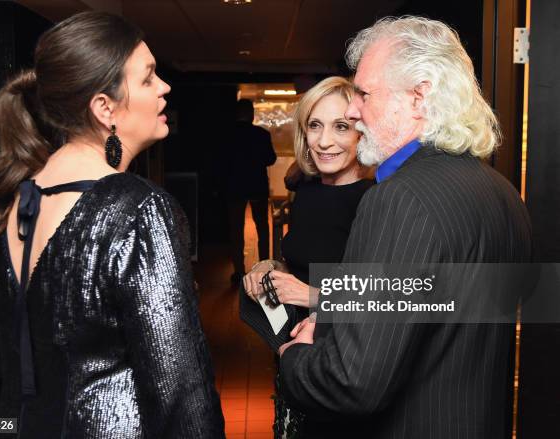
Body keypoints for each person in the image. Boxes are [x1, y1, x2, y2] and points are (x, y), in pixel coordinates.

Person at [0, 12, 224, 438]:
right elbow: (181, 393)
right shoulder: (139, 210)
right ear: (105, 108)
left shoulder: (14, 201)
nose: (165, 87)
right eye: (148, 78)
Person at [277, 16, 532, 438]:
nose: (354, 111)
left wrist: (293, 358)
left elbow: (353, 382)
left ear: (419, 97)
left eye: (363, 93)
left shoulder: (401, 199)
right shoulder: (501, 192)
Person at [241, 76, 373, 438]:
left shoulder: (375, 202)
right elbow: (303, 261)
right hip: (295, 360)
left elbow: (387, 301)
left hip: (341, 375)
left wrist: (311, 295)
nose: (324, 141)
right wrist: (271, 266)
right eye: (315, 125)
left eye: (341, 127)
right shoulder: (310, 192)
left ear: (362, 132)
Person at [223, 99, 277, 284]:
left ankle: (239, 272)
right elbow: (271, 159)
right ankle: (264, 269)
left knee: (236, 230)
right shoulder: (262, 134)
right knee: (262, 227)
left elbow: (221, 162)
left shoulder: (227, 135)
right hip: (257, 186)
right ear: (251, 114)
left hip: (235, 188)